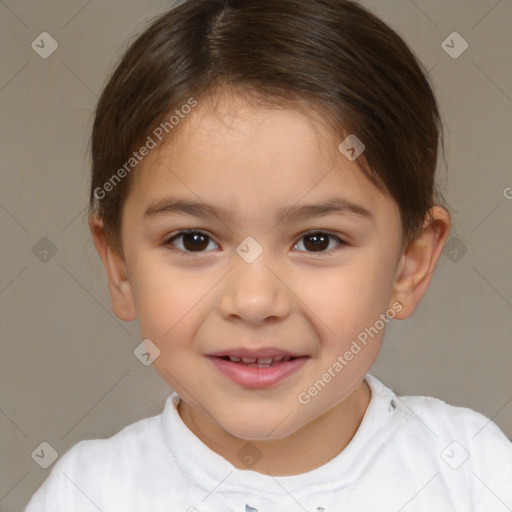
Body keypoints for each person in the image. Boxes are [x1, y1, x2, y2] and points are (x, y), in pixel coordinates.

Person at [25, 0, 512, 510]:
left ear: (409, 265)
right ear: (120, 266)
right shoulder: (89, 493)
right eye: (194, 240)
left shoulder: (474, 475)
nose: (254, 301)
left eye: (317, 240)